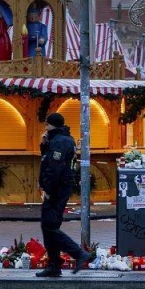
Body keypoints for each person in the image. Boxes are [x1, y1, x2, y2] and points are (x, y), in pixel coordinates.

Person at [35, 112, 89, 277]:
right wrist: (44, 145)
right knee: (49, 225)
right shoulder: (62, 139)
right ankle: (54, 265)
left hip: (57, 189)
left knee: (50, 226)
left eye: (46, 125)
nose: (45, 128)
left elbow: (54, 169)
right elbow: (49, 160)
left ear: (51, 125)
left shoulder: (60, 141)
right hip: (60, 187)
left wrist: (49, 191)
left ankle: (78, 253)